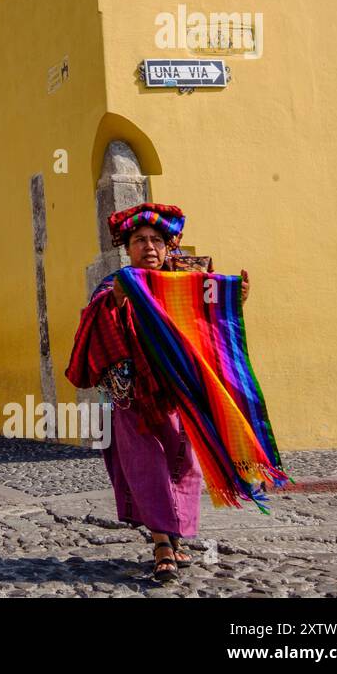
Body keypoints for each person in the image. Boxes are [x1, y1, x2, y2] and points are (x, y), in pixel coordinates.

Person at [67, 202, 257, 583]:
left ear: (170, 246)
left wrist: (235, 300)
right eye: (140, 240)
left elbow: (210, 324)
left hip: (181, 391)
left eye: (156, 239)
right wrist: (116, 300)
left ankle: (176, 532)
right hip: (134, 396)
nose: (149, 247)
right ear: (128, 247)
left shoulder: (188, 280)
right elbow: (94, 324)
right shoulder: (116, 283)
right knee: (145, 464)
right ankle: (161, 545)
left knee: (184, 462)